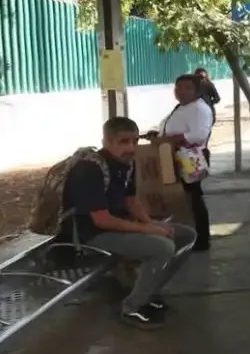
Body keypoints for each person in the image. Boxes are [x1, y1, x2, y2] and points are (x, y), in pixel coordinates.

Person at [62, 116, 197, 329]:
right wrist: (147, 229)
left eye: (135, 141)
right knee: (162, 247)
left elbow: (131, 201)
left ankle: (148, 294)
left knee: (186, 235)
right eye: (123, 142)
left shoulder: (126, 164)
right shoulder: (89, 170)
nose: (131, 148)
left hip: (116, 227)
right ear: (106, 141)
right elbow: (102, 220)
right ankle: (132, 308)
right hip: (90, 237)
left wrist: (152, 223)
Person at [151, 74, 215, 251]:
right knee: (184, 197)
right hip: (175, 155)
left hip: (191, 157)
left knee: (193, 198)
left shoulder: (199, 109)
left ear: (196, 90)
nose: (181, 92)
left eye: (187, 88)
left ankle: (202, 240)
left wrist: (170, 139)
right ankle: (188, 234)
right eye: (178, 88)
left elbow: (199, 135)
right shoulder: (183, 107)